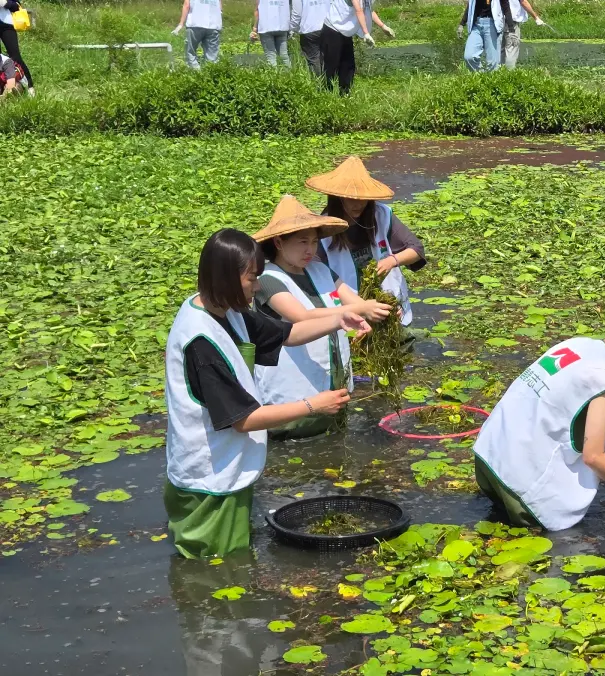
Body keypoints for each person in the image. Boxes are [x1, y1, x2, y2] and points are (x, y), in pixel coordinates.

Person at [164, 228, 371, 559]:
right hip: (208, 480)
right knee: (212, 571)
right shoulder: (201, 341)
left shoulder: (229, 311)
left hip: (231, 468)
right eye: (251, 279)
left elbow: (288, 334)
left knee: (234, 566)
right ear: (227, 278)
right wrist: (311, 405)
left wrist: (339, 318)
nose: (257, 286)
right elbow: (243, 420)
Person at [472, 301, 605, 531]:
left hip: (488, 458)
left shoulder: (576, 345)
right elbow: (594, 457)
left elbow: (557, 398)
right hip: (518, 485)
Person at [252, 195, 392, 439]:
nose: (310, 250)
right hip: (290, 391)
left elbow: (353, 300)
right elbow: (302, 316)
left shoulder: (321, 269)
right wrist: (358, 311)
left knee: (333, 443)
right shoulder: (266, 280)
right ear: (278, 242)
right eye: (302, 242)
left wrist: (378, 309)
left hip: (331, 384)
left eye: (315, 242)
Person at [305, 156, 426, 327]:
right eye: (350, 198)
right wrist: (361, 307)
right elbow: (322, 277)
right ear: (337, 198)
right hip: (348, 313)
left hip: (388, 305)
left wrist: (392, 260)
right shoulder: (323, 229)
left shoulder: (381, 215)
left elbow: (416, 249)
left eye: (362, 198)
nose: (358, 204)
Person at [320, 0, 394, 95]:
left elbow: (368, 10)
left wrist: (383, 26)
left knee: (348, 65)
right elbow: (358, 10)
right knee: (332, 64)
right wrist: (366, 33)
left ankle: (345, 94)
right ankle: (327, 93)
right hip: (333, 28)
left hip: (346, 31)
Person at [457, 0, 512, 73]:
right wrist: (462, 24)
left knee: (493, 63)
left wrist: (511, 28)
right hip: (476, 25)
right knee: (469, 57)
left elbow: (506, 7)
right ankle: (481, 77)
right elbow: (470, 6)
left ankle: (491, 82)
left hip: (492, 25)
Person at [172, 0, 223, 70]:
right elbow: (220, 8)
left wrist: (181, 24)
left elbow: (187, 5)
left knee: (190, 51)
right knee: (212, 55)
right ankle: (211, 74)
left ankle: (196, 72)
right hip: (214, 25)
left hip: (195, 24)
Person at [0, 0, 32, 97]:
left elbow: (16, 6)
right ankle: (4, 88)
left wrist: (5, 3)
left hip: (6, 25)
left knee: (15, 56)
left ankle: (30, 87)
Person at [500, 0, 545, 69]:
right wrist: (536, 17)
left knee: (502, 49)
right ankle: (509, 74)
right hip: (511, 22)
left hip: (498, 21)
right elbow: (523, 2)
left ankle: (499, 73)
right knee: (512, 47)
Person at [291, 0, 332, 75]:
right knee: (326, 57)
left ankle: (318, 83)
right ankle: (329, 83)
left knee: (313, 59)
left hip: (309, 28)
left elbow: (297, 13)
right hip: (327, 26)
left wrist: (293, 29)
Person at [252, 0, 291, 67]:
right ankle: (290, 75)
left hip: (266, 27)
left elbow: (257, 10)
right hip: (282, 26)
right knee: (284, 56)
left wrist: (255, 28)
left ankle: (274, 76)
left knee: (271, 57)